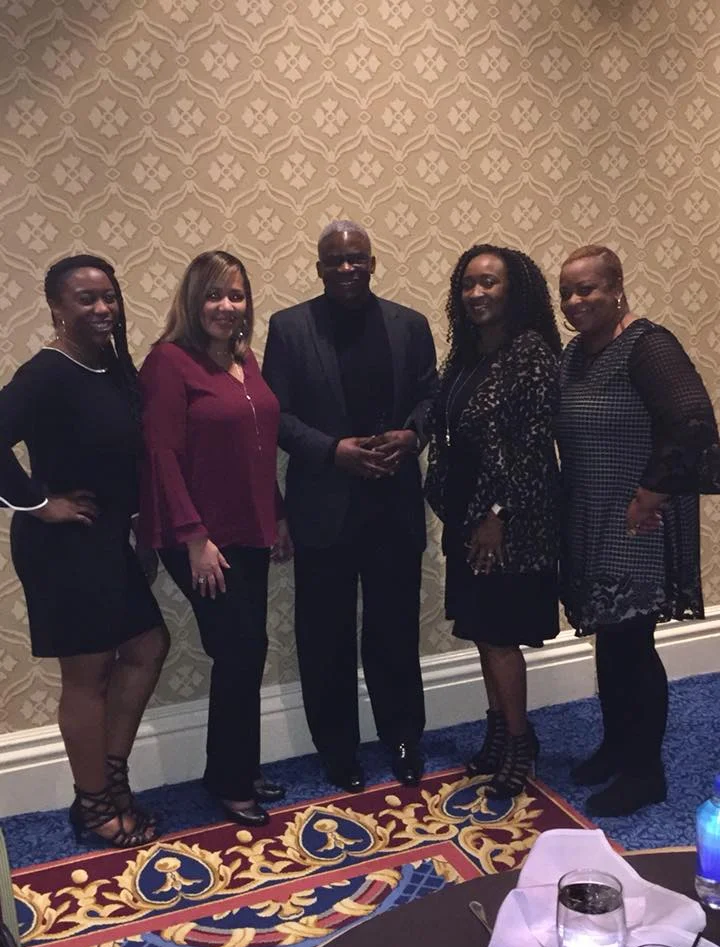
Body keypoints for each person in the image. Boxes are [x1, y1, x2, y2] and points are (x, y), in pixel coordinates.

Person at [262, 220, 437, 792]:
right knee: (325, 638)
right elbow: (276, 416)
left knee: (395, 632)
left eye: (356, 258)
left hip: (394, 505)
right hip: (323, 507)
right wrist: (332, 450)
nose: (346, 268)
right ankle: (338, 751)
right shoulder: (288, 328)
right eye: (334, 260)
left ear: (372, 262)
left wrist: (412, 435)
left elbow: (431, 397)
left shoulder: (410, 325)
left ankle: (403, 738)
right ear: (318, 268)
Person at [0, 254, 169, 847]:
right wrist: (37, 503)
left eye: (109, 297)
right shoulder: (47, 373)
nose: (102, 308)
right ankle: (94, 806)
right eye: (86, 299)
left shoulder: (109, 367)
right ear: (56, 309)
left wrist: (137, 524)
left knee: (147, 645)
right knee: (87, 674)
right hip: (64, 547)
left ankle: (109, 777)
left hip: (108, 540)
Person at [556, 244, 718, 817]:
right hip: (591, 516)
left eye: (587, 289)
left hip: (636, 520)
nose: (575, 301)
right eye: (566, 293)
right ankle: (617, 746)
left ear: (617, 288)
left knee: (632, 642)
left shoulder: (649, 346)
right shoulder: (576, 354)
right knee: (611, 638)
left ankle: (646, 772)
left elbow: (693, 422)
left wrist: (650, 494)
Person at [138, 250, 291, 827]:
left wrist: (277, 515)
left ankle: (234, 768)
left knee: (248, 650)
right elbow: (161, 456)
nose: (227, 306)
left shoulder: (244, 360)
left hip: (249, 529)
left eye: (236, 295)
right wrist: (194, 538)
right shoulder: (168, 362)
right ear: (192, 300)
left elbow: (257, 449)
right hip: (198, 536)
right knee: (237, 650)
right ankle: (230, 781)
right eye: (214, 295)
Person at [425, 244, 562, 799]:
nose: (476, 293)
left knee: (501, 635)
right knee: (482, 631)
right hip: (467, 514)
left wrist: (497, 515)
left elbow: (532, 446)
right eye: (468, 284)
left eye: (489, 282)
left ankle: (521, 742)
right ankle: (500, 731)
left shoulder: (530, 354)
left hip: (508, 521)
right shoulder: (467, 354)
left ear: (515, 290)